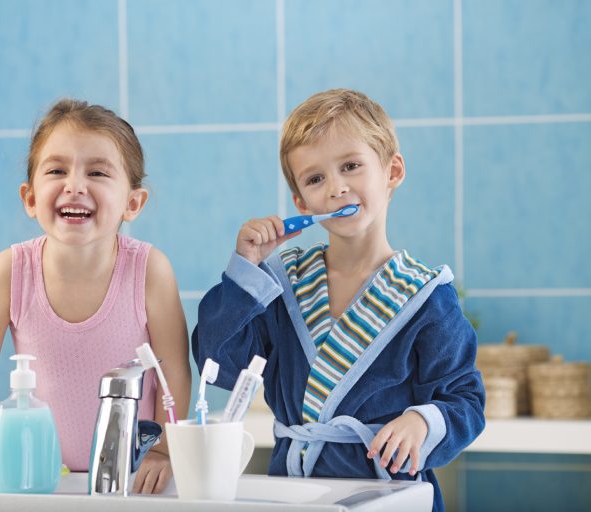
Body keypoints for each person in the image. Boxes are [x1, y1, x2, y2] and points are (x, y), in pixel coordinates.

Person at [192, 89, 484, 511]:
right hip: (296, 494)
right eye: (315, 179)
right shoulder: (281, 283)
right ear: (301, 202)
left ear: (392, 171)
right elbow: (217, 365)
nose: (337, 188)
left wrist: (421, 422)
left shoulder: (426, 295)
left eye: (351, 166)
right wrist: (246, 271)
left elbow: (464, 399)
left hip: (389, 495)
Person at [0, 99, 191, 494]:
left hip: (130, 478)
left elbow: (174, 372)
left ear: (132, 203)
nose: (75, 185)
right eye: (56, 170)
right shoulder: (9, 271)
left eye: (97, 172)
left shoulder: (150, 270)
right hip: (39, 478)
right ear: (30, 198)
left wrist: (163, 450)